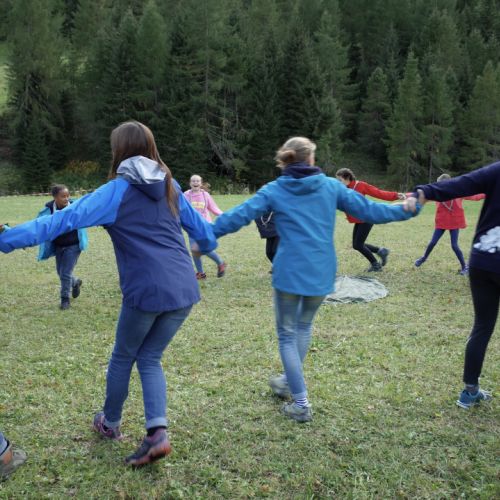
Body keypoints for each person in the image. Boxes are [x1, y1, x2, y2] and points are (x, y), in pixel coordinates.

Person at [0, 121, 217, 465]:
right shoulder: (171, 184)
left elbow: (59, 221)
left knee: (123, 356)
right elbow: (203, 233)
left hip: (145, 291)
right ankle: (157, 434)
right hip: (184, 289)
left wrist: (7, 238)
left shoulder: (116, 192)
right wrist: (205, 242)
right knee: (149, 357)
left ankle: (110, 423)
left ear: (118, 151)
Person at [211, 137, 418, 423]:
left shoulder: (275, 189)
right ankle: (287, 382)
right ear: (310, 159)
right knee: (304, 326)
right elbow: (371, 211)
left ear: (287, 160)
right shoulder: (332, 186)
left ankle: (301, 403)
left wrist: (205, 235)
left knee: (287, 334)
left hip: (289, 271)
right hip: (321, 272)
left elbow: (238, 215)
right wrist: (408, 208)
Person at [408, 161, 499, 410]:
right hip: (486, 262)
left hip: (483, 260)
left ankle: (470, 391)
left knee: (482, 326)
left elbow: (460, 184)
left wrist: (422, 192)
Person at [335, 168, 406, 271]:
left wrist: (395, 195)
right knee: (356, 245)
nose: (338, 182)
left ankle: (375, 265)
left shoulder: (360, 185)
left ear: (347, 178)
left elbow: (378, 193)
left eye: (340, 180)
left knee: (358, 245)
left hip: (367, 217)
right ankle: (381, 251)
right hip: (360, 220)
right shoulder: (343, 190)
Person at [414, 174, 485, 275]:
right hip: (442, 222)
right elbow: (423, 195)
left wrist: (487, 192)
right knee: (433, 242)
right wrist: (410, 196)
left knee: (454, 245)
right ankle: (423, 258)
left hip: (454, 222)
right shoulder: (437, 193)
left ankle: (465, 267)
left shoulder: (458, 191)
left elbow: (474, 197)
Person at [37, 184, 88, 309]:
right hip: (58, 245)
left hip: (73, 245)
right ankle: (75, 282)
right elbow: (40, 225)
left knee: (65, 273)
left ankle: (65, 300)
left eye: (67, 195)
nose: (66, 198)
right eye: (63, 196)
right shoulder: (49, 210)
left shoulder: (75, 207)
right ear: (55, 197)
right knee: (61, 272)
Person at [184, 175, 226, 279]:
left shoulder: (205, 195)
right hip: (192, 227)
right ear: (190, 183)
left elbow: (214, 208)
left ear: (201, 183)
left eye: (197, 181)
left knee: (204, 248)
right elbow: (181, 209)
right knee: (194, 250)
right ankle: (201, 273)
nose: (195, 182)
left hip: (204, 226)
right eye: (193, 181)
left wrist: (224, 216)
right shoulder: (185, 195)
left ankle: (220, 263)